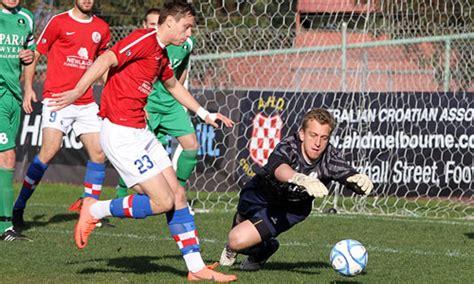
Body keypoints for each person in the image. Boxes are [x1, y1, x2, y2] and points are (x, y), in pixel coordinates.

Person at [51, 1, 237, 282]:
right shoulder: (142, 39)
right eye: (186, 27)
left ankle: (196, 268)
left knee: (177, 196)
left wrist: (203, 113)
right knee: (161, 201)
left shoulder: (161, 54)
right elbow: (105, 60)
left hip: (140, 132)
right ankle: (95, 209)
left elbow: (173, 85)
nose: (188, 34)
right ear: (170, 22)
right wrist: (78, 90)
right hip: (121, 135)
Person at [219, 108, 374, 271]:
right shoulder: (289, 146)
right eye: (313, 135)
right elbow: (278, 167)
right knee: (240, 219)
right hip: (260, 192)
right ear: (302, 134)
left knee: (236, 240)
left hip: (288, 209)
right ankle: (237, 246)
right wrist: (298, 178)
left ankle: (265, 249)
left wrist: (357, 180)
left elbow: (346, 173)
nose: (317, 143)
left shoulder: (330, 157)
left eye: (324, 138)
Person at [12, 0, 111, 228]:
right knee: (49, 150)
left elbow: (104, 64)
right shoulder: (58, 22)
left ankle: (90, 210)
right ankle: (19, 205)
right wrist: (28, 88)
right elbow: (36, 54)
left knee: (98, 153)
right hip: (57, 99)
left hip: (85, 101)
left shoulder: (102, 28)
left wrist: (110, 93)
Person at [115, 8, 198, 198]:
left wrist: (182, 95)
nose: (188, 33)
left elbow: (181, 72)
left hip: (171, 105)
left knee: (191, 146)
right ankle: (121, 193)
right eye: (151, 24)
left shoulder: (186, 44)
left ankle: (178, 191)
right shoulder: (151, 44)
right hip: (150, 102)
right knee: (144, 152)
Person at [0, 0, 35, 241]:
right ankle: (5, 226)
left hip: (14, 96)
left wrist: (29, 88)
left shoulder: (27, 18)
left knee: (5, 157)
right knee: (7, 156)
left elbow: (30, 57)